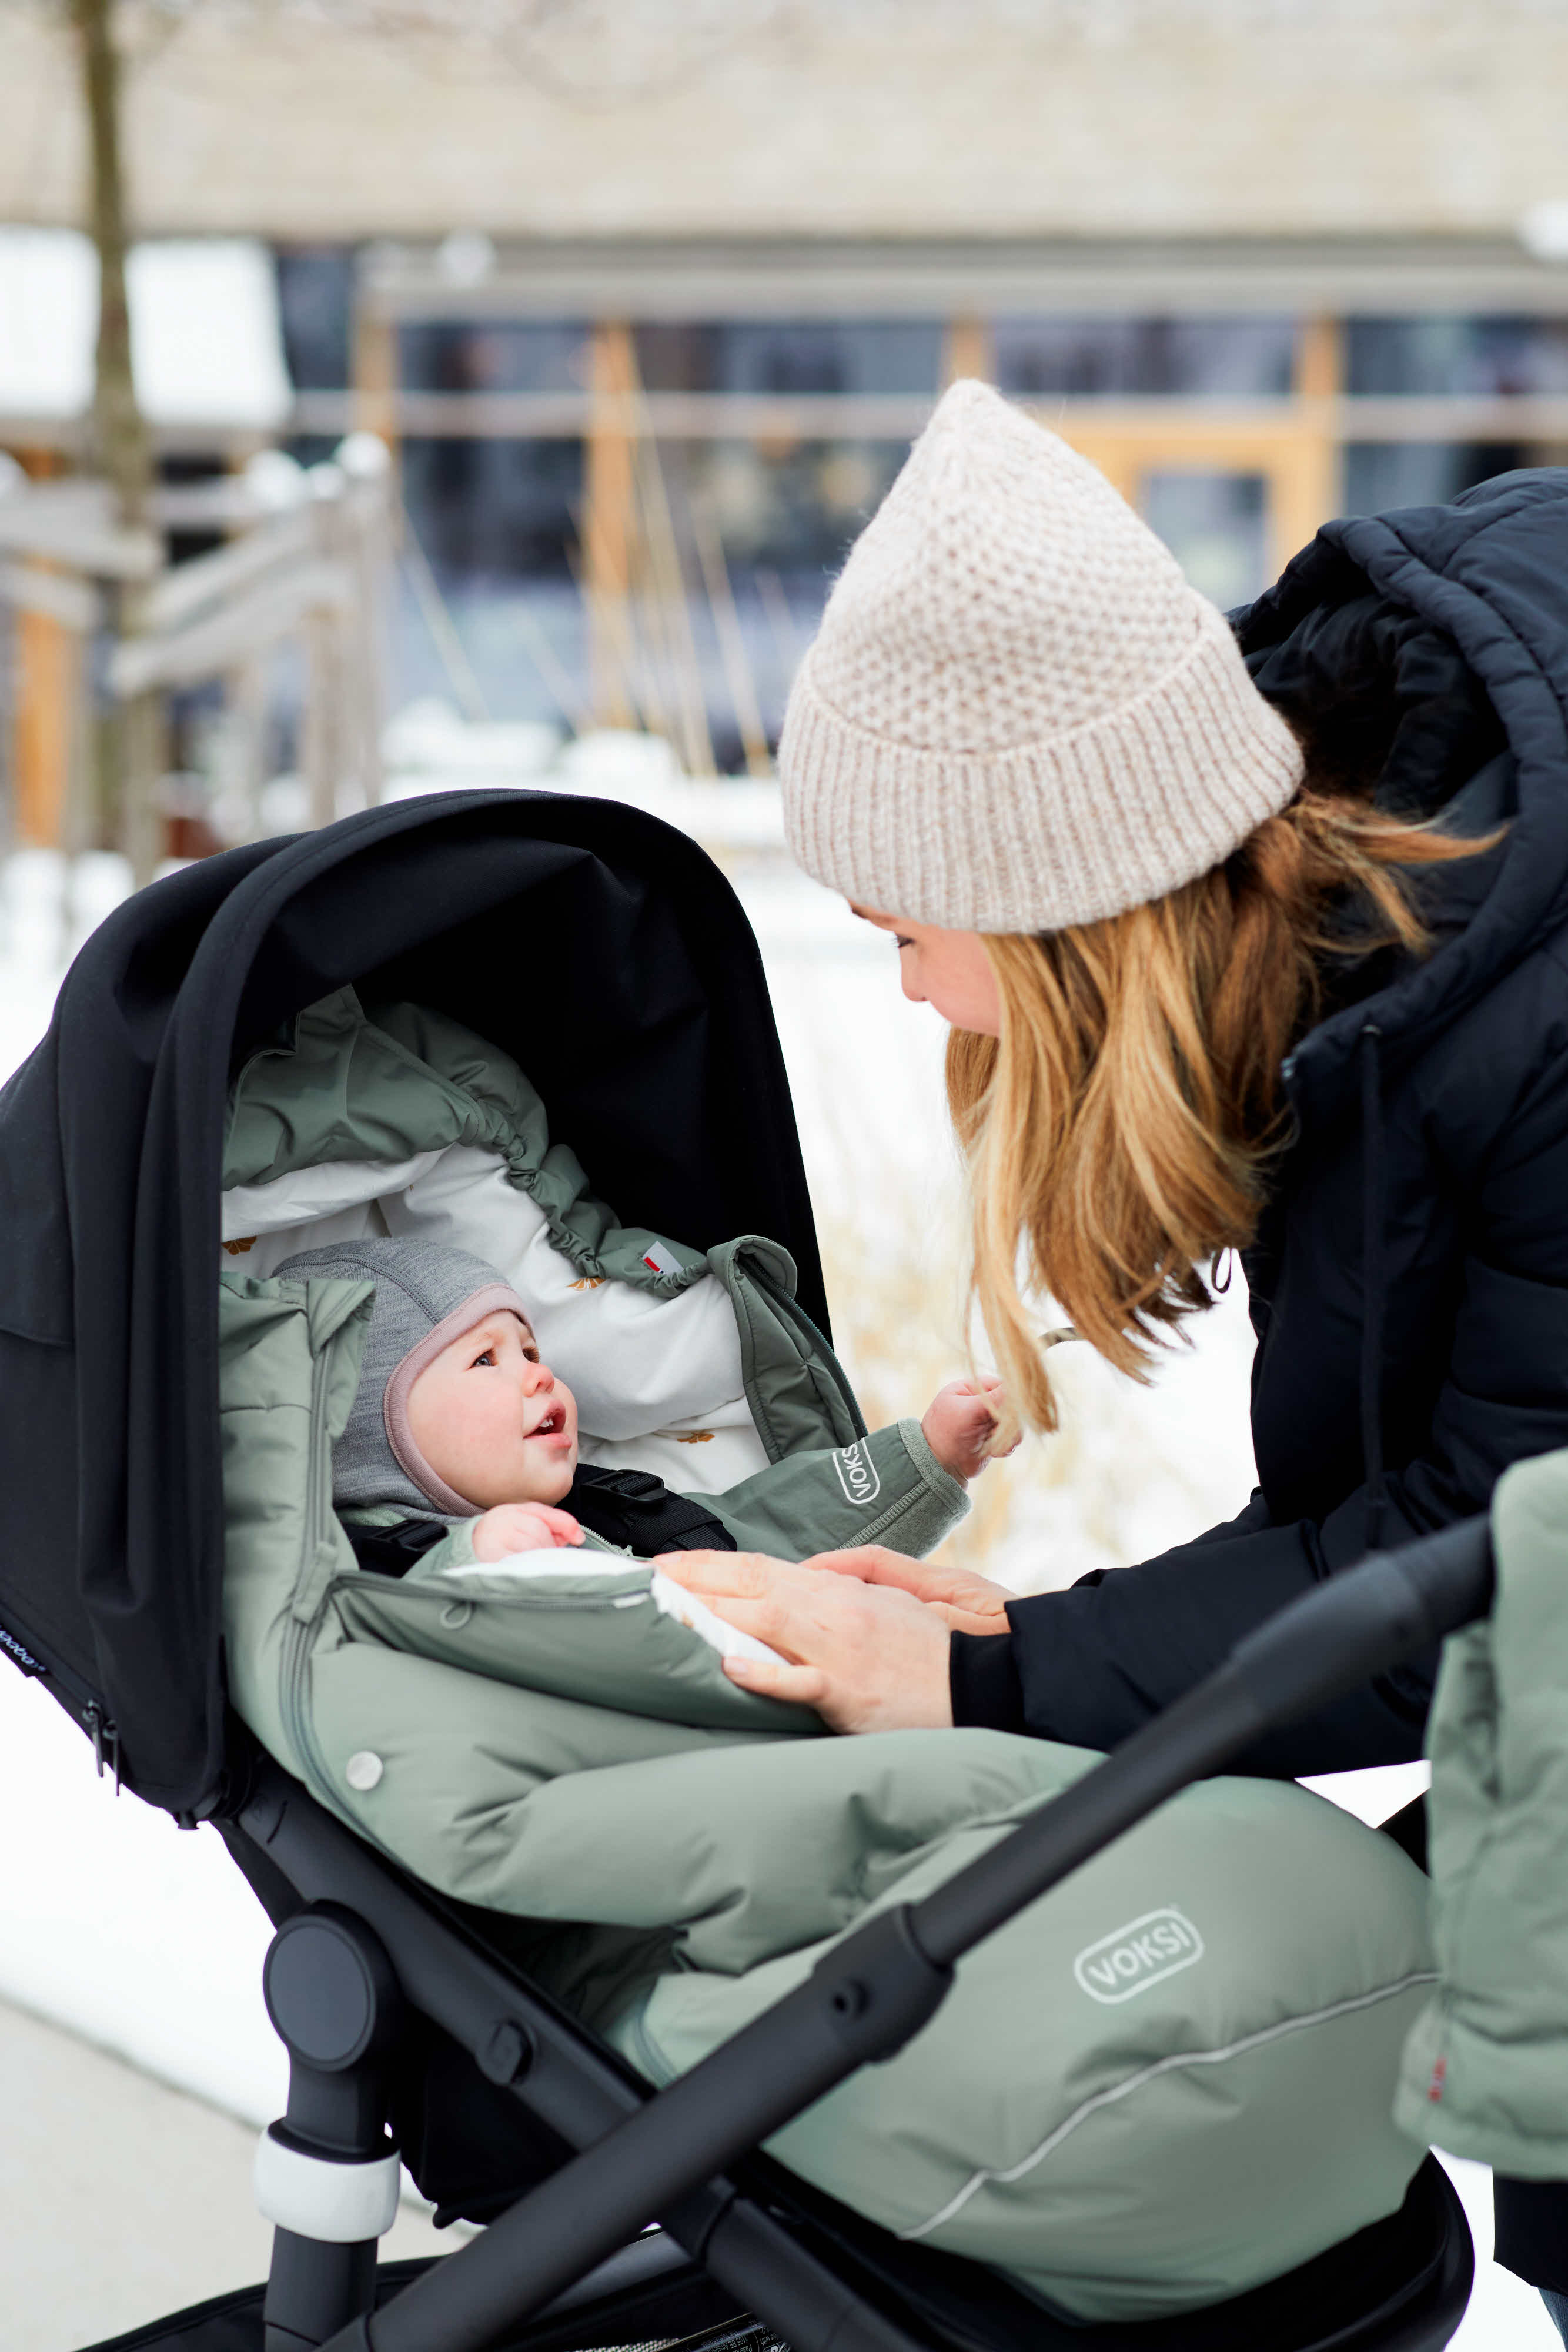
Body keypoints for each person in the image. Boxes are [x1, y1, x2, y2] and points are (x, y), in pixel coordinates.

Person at [656, 379, 1568, 2320]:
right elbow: (1388, 1513)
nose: (902, 988)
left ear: (1056, 908)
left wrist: (1000, 1676)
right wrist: (998, 1650)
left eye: (903, 927)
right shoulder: (1334, 933)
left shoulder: (1511, 1016)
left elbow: (1478, 1562)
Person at [273, 1236, 1009, 1575]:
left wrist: (929, 1453)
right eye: (484, 1360)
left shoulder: (613, 1508)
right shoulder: (354, 1559)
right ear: (371, 1426)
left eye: (530, 1352)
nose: (537, 1377)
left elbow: (774, 1528)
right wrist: (469, 1560)